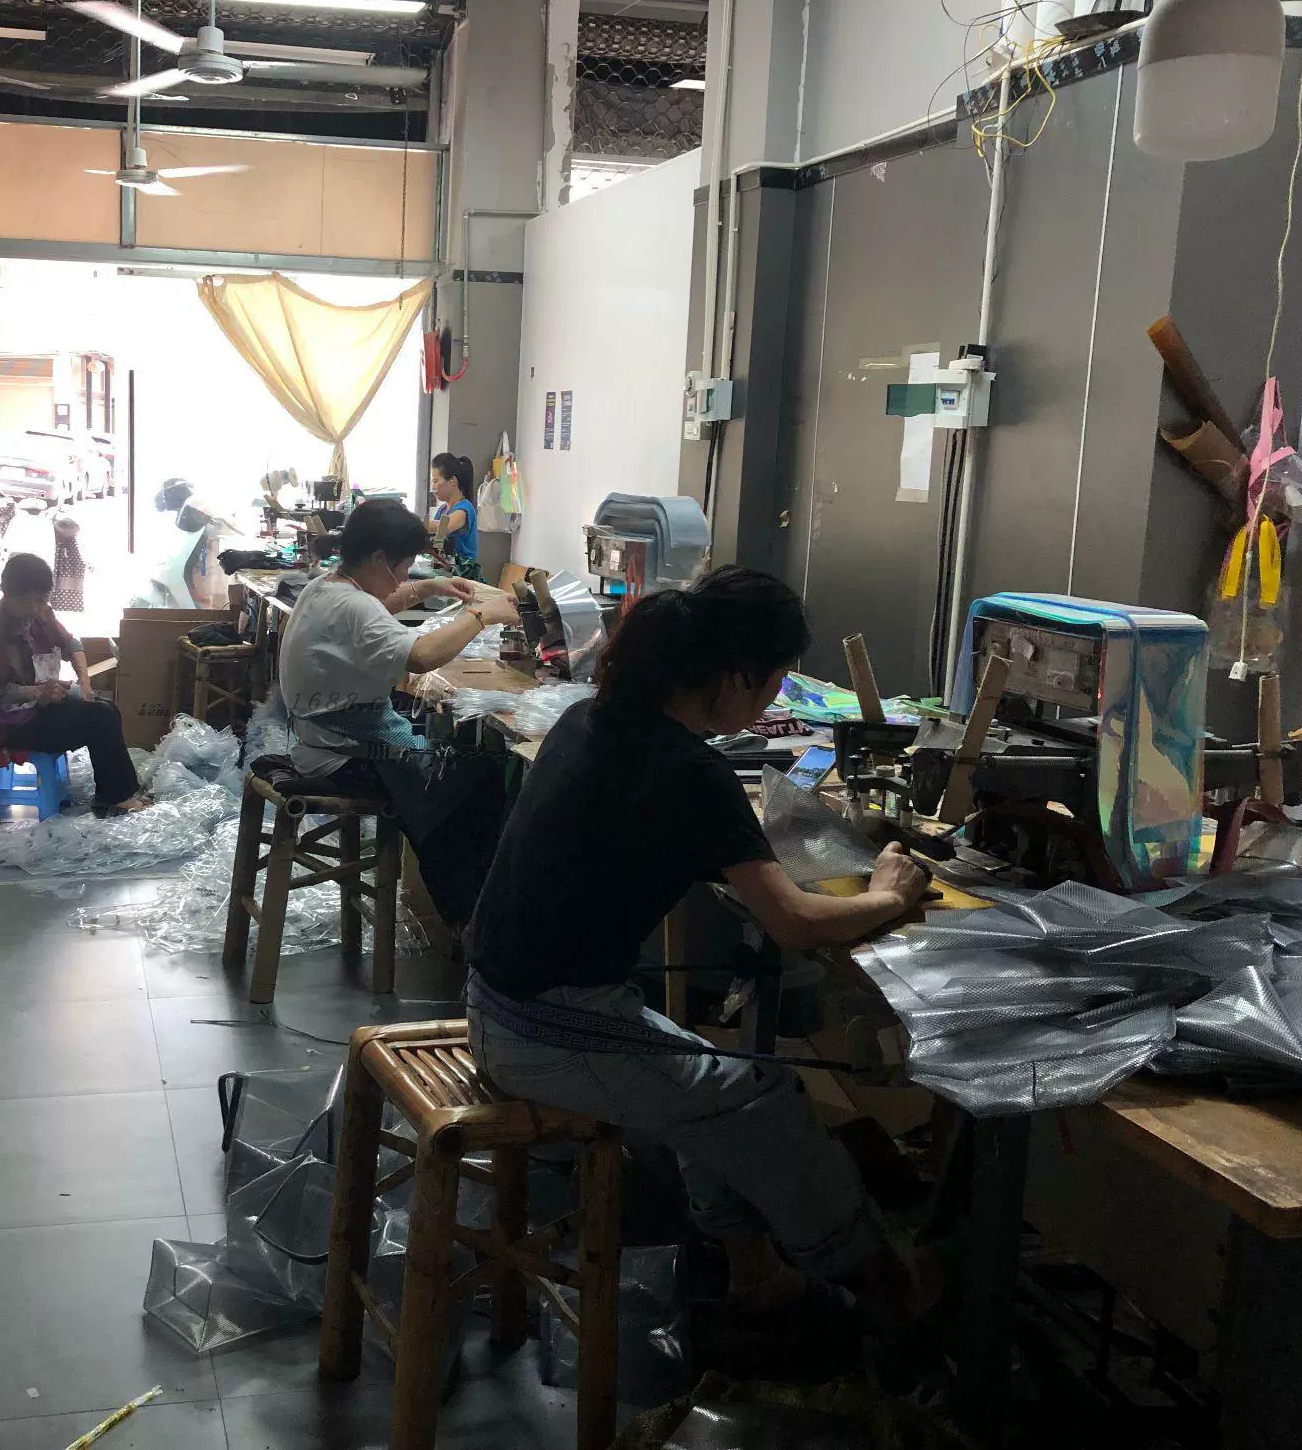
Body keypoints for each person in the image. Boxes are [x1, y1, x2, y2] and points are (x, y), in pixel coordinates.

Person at [465, 567, 941, 1325]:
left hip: (498, 1003)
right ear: (734, 676)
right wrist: (891, 894)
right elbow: (794, 923)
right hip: (548, 1033)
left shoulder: (588, 720)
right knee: (761, 1102)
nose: (771, 705)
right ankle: (886, 1292)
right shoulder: (690, 770)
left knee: (711, 1083)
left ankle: (755, 1274)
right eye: (772, 684)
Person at [278, 496, 518, 924]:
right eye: (405, 566)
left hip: (318, 738)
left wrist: (428, 588)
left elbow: (375, 610)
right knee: (481, 779)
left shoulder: (326, 586)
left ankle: (465, 911)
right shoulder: (353, 605)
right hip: (342, 756)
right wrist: (481, 615)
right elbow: (422, 656)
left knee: (449, 746)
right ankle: (473, 919)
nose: (405, 576)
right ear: (379, 558)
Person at [0, 553, 147, 815]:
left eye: (41, 599)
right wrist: (37, 691)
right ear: (5, 592)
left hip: (39, 706)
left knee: (107, 708)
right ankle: (114, 798)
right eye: (27, 601)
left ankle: (116, 792)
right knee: (100, 719)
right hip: (7, 724)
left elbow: (71, 645)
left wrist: (85, 684)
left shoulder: (41, 614)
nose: (35, 608)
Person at [426, 453, 480, 580]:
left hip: (463, 573)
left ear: (452, 481)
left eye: (435, 481)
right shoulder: (442, 510)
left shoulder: (465, 508)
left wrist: (414, 522)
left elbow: (444, 527)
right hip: (444, 570)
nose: (433, 487)